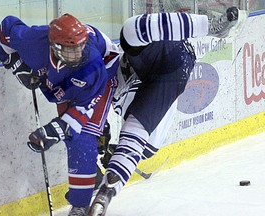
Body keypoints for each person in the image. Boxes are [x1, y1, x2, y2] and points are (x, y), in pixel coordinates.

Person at [89, 7, 239, 216]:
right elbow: (140, 141)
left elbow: (98, 41)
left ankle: (211, 26)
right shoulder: (122, 104)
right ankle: (107, 184)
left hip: (158, 61)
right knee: (142, 135)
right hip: (169, 73)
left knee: (129, 32)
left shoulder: (100, 67)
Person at [0, 13, 120, 216]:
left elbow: (80, 112)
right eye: (71, 50)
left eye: (80, 47)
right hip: (65, 81)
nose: (78, 53)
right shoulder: (34, 41)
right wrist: (18, 67)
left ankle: (80, 205)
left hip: (104, 74)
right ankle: (91, 172)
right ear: (54, 46)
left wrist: (51, 132)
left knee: (82, 134)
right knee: (70, 134)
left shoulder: (92, 63)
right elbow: (4, 30)